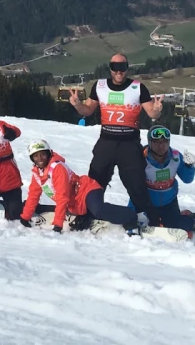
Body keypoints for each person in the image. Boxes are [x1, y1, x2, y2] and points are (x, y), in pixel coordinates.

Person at [69, 54, 163, 225]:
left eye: (123, 67)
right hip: (106, 142)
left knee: (136, 183)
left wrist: (157, 110)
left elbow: (151, 113)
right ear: (110, 68)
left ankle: (147, 217)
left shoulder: (138, 88)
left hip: (129, 144)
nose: (119, 71)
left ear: (127, 67)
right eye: (115, 67)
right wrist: (77, 104)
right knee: (95, 180)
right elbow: (88, 110)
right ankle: (88, 212)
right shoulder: (100, 86)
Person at [18, 140, 138, 232]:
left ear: (49, 154)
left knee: (98, 211)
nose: (40, 159)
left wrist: (58, 225)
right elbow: (33, 195)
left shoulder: (57, 168)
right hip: (75, 202)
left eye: (43, 154)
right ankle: (86, 214)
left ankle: (130, 216)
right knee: (83, 214)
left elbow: (62, 196)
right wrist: (25, 217)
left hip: (87, 190)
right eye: (35, 156)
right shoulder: (38, 173)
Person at [133, 125, 195, 234]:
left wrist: (189, 166)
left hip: (168, 202)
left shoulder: (176, 156)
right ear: (150, 142)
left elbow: (187, 179)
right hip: (146, 202)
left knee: (176, 227)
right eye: (156, 142)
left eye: (164, 142)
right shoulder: (141, 158)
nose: (161, 145)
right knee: (137, 222)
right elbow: (133, 187)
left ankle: (189, 218)